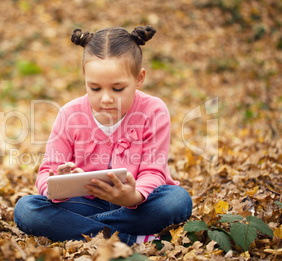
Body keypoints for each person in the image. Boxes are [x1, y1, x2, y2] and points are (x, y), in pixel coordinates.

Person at [14, 26, 192, 246]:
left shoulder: (153, 111)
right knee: (26, 209)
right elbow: (46, 172)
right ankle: (128, 239)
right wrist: (58, 185)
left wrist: (132, 197)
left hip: (137, 204)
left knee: (177, 200)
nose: (106, 98)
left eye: (118, 88)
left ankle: (79, 229)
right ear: (85, 79)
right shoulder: (70, 114)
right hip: (85, 203)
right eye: (95, 88)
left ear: (139, 78)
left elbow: (153, 170)